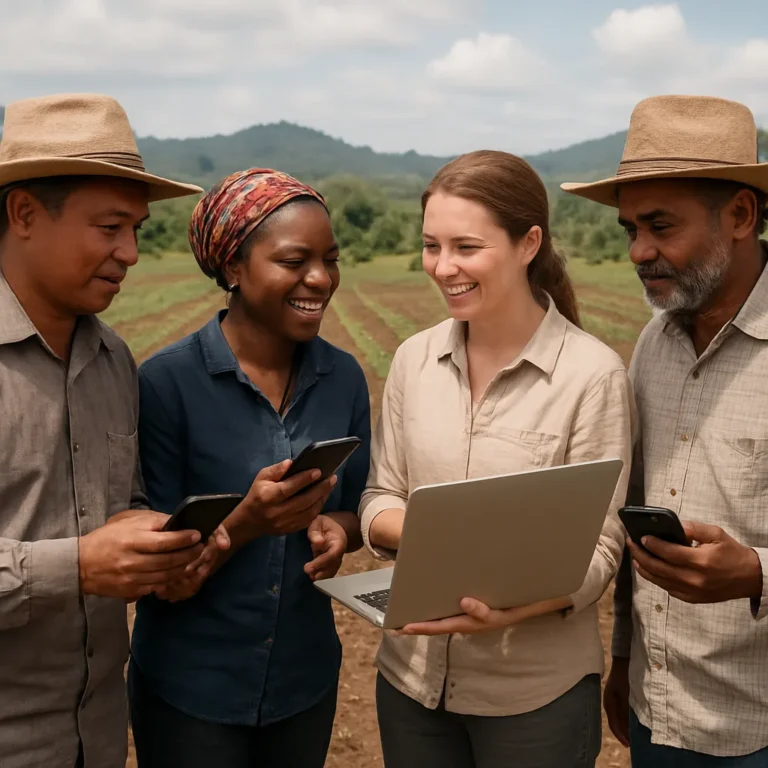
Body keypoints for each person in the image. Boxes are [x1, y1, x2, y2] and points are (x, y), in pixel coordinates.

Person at [359, 150, 635, 768]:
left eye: (466, 247)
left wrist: (515, 606)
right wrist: (440, 534)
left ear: (528, 243)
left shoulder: (592, 376)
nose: (443, 267)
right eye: (432, 246)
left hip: (534, 697)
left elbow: (601, 548)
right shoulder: (412, 360)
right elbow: (380, 497)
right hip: (410, 682)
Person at [128, 168, 372, 768]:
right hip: (192, 690)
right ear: (233, 267)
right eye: (294, 261)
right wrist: (248, 521)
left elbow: (356, 509)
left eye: (330, 260)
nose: (320, 278)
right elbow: (156, 568)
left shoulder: (342, 377)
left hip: (303, 680)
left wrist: (337, 531)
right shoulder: (167, 385)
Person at [0, 93, 215, 768]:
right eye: (110, 227)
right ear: (24, 213)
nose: (130, 253)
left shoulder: (113, 360)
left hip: (96, 731)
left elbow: (123, 502)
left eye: (137, 230)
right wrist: (78, 565)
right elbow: (85, 556)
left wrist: (157, 549)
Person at [562, 94, 768, 766]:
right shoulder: (654, 344)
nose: (639, 251)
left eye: (660, 226)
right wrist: (625, 657)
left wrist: (757, 572)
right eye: (630, 229)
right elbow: (638, 517)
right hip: (659, 710)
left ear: (741, 215)